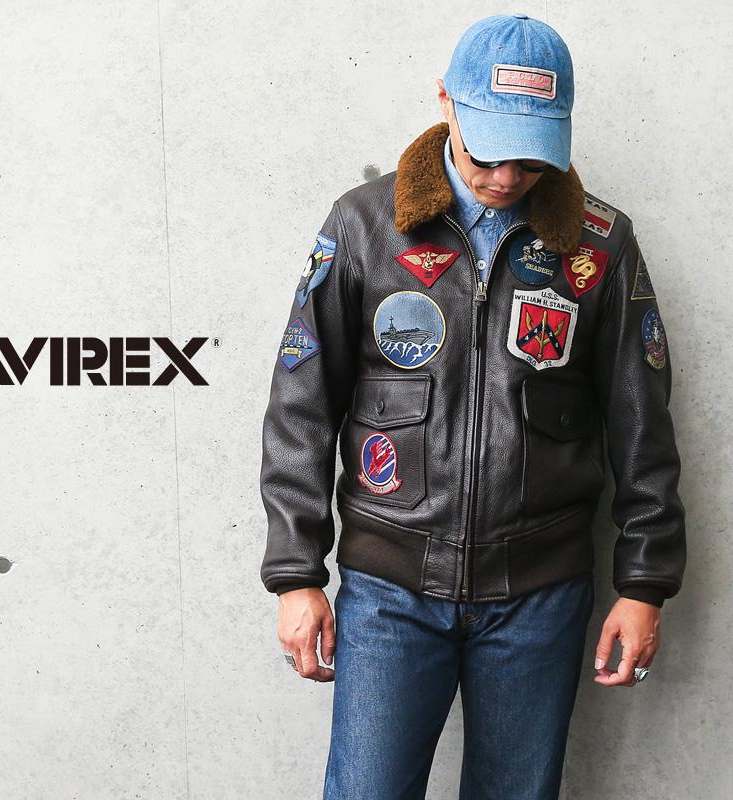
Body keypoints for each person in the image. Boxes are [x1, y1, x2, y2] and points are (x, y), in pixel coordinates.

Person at [259, 13, 686, 800]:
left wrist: (643, 583)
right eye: (490, 151)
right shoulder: (364, 225)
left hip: (541, 597)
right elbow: (301, 406)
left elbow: (642, 425)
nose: (507, 177)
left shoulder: (600, 245)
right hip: (387, 593)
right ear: (446, 102)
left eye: (531, 155)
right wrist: (295, 574)